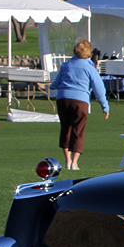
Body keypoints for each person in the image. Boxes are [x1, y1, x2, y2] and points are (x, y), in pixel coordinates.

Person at [50, 39, 109, 171]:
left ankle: (67, 160)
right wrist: (104, 106)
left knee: (66, 128)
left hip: (63, 98)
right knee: (78, 130)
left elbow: (56, 82)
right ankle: (75, 162)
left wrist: (51, 86)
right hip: (80, 100)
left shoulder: (66, 65)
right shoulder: (90, 68)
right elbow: (99, 89)